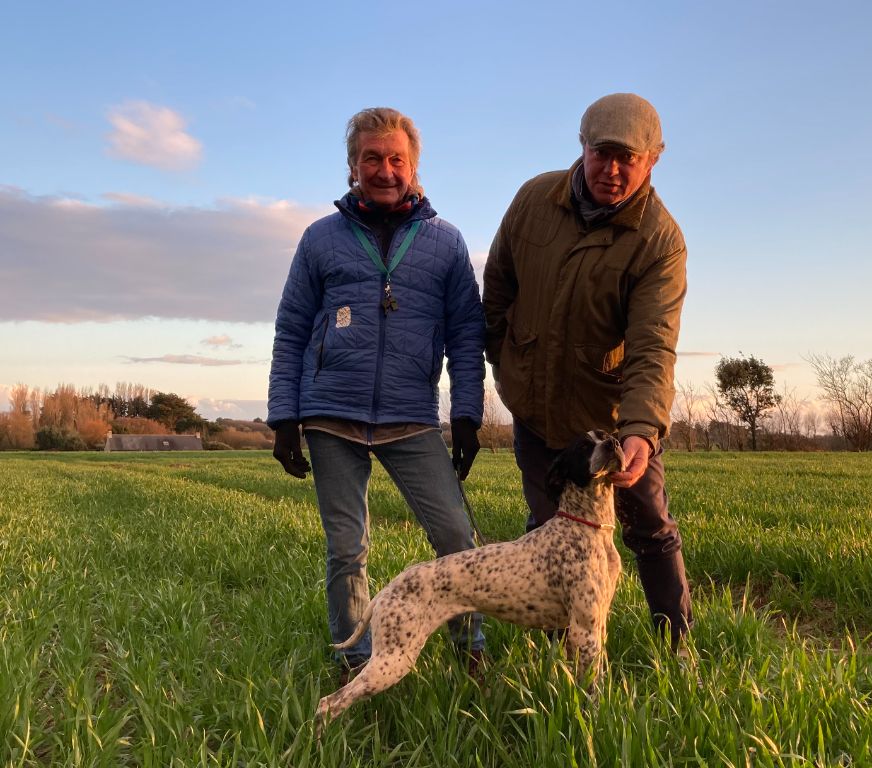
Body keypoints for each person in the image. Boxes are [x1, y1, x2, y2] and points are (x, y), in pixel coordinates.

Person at [268, 107, 485, 676]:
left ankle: (471, 650)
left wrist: (467, 415)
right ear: (352, 165)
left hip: (411, 416)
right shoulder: (320, 238)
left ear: (413, 167)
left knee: (457, 539)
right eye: (372, 158)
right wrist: (283, 418)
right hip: (330, 414)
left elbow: (466, 333)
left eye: (396, 159)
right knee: (348, 549)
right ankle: (353, 660)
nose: (384, 170)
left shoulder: (446, 242)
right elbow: (291, 328)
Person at [483, 93, 692, 649]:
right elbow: (498, 283)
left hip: (611, 421)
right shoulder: (533, 199)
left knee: (648, 527)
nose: (614, 170)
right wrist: (502, 354)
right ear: (582, 147)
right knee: (548, 525)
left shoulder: (660, 242)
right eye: (603, 153)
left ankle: (676, 650)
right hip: (533, 404)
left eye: (630, 157)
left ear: (655, 158)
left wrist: (642, 432)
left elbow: (653, 347)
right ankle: (557, 661)